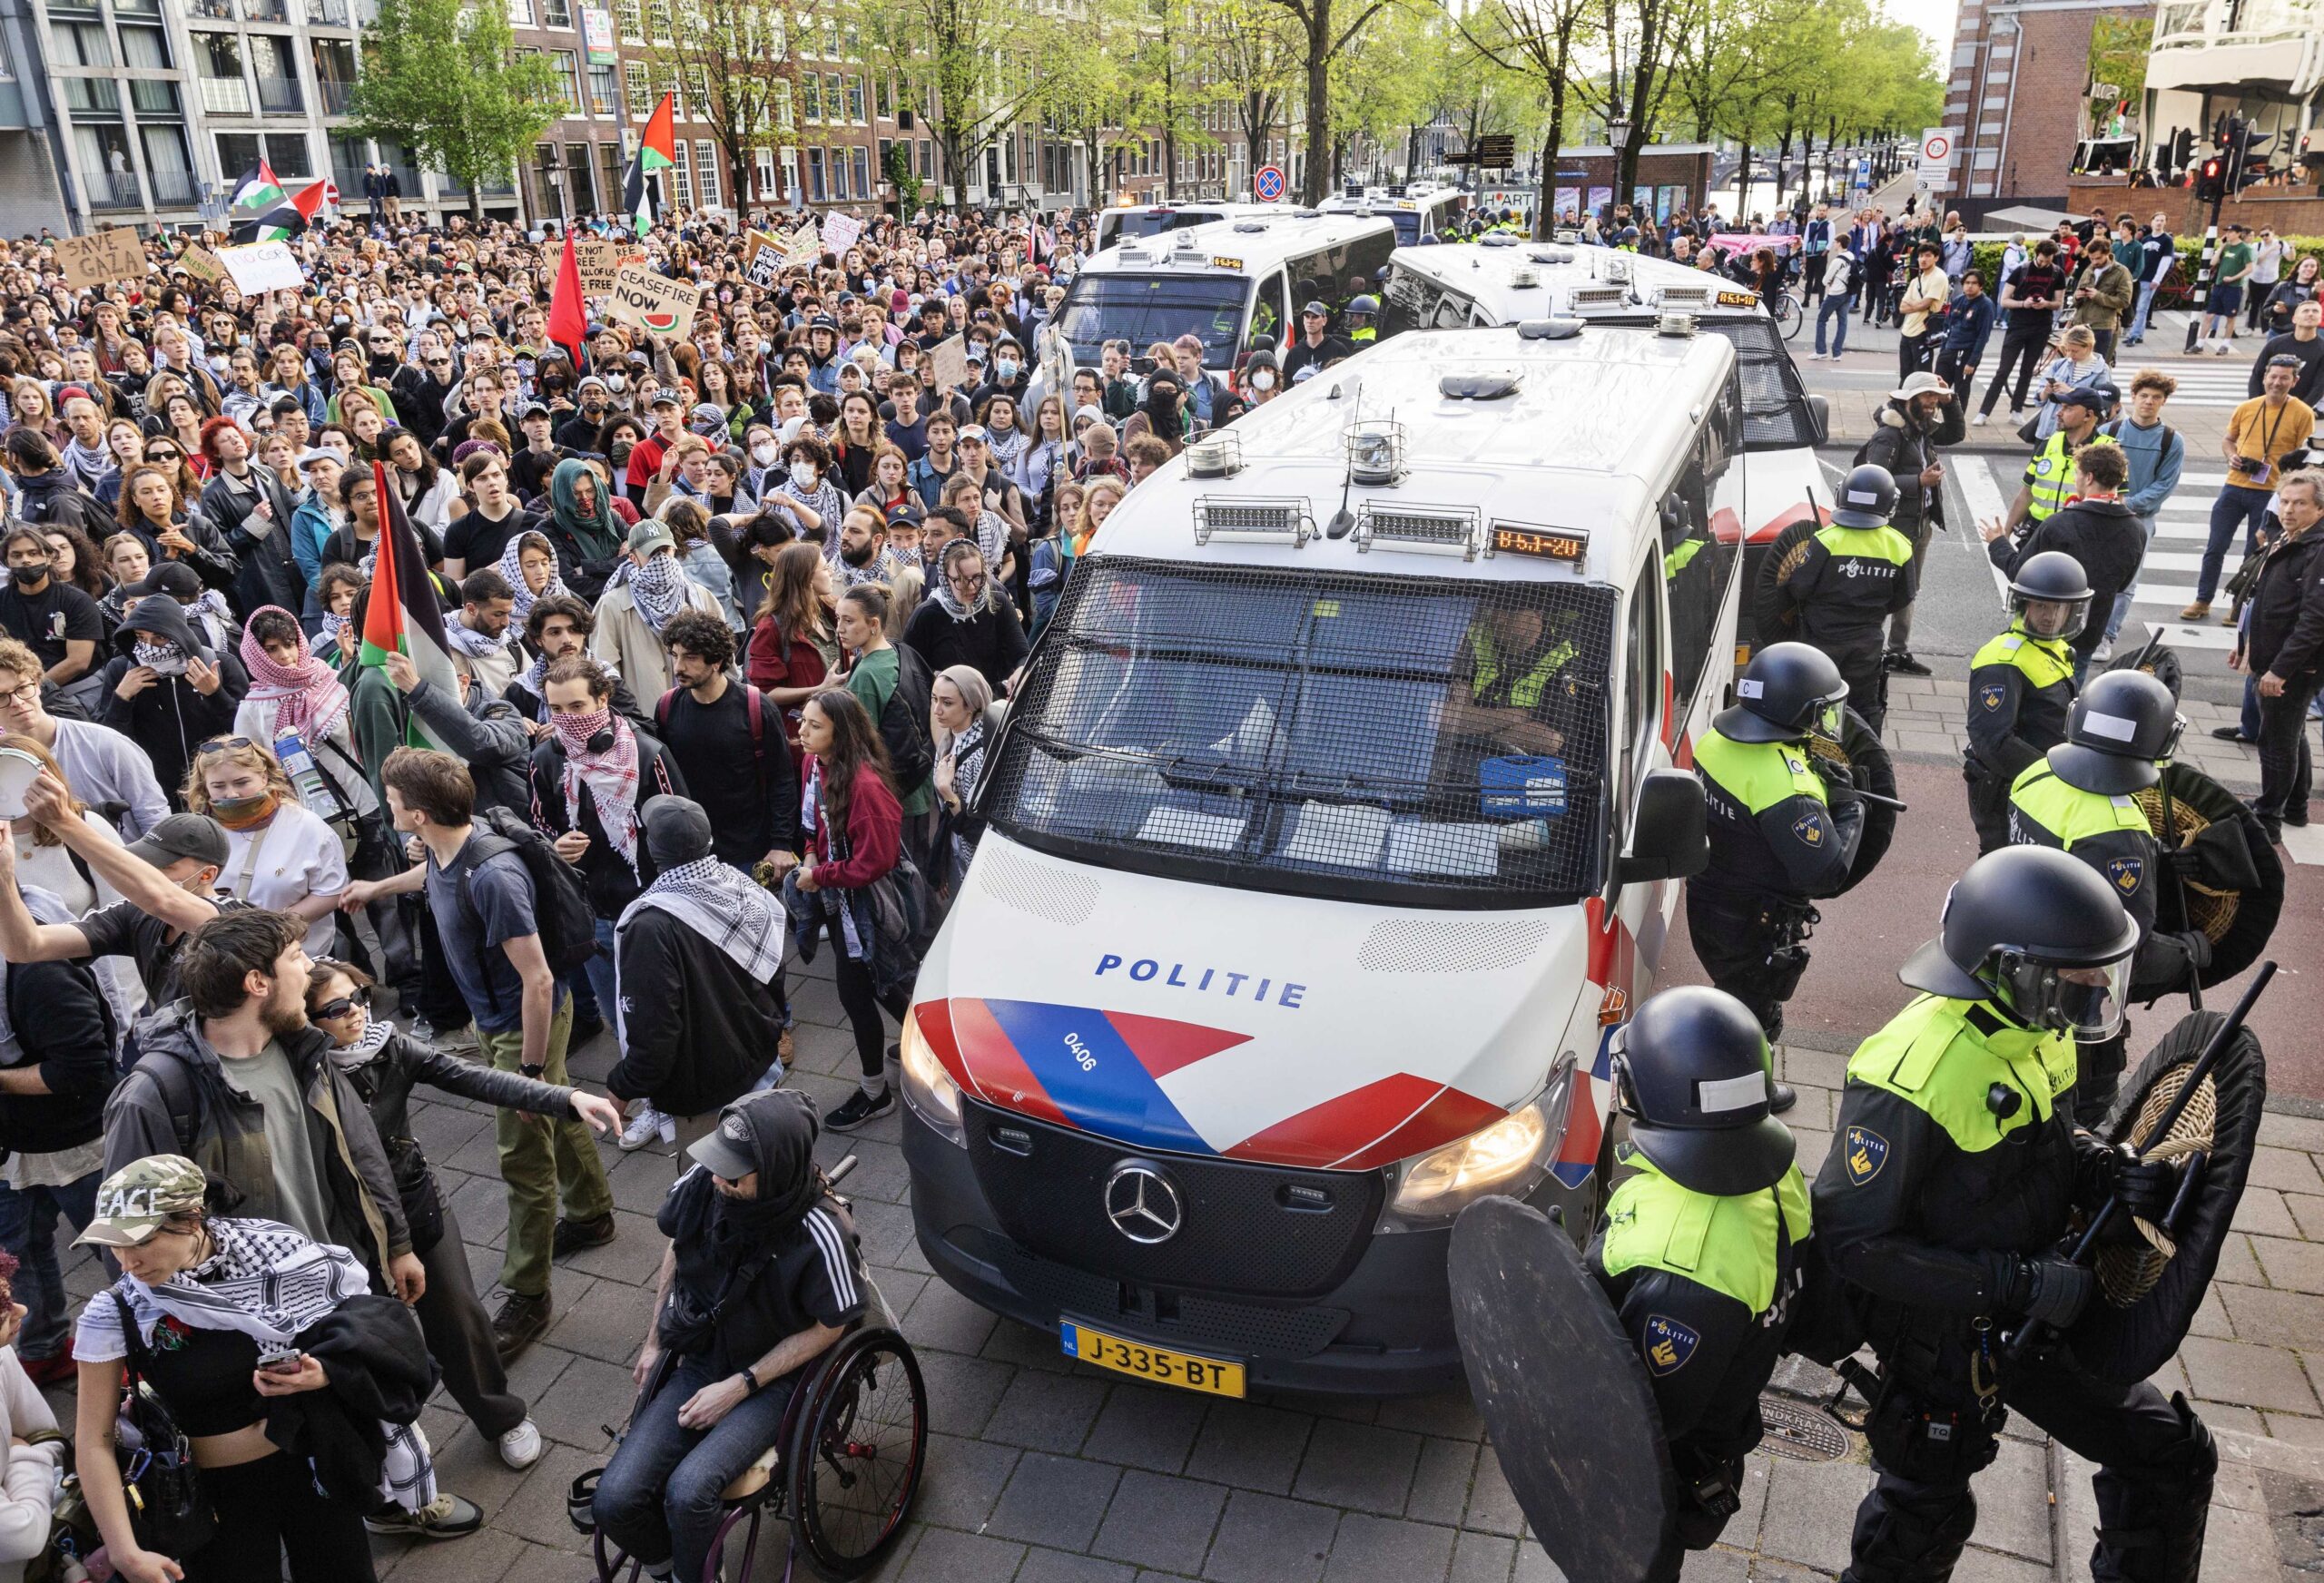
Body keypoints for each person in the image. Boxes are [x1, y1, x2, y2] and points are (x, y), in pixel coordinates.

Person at [1816, 847, 2216, 1583]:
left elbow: (2046, 1143)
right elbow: (1854, 1243)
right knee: (1919, 1525)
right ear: (2011, 969)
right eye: (2080, 976)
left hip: (2042, 1303)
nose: (2097, 991)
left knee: (2170, 1454)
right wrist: (2016, 1283)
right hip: (1946, 1332)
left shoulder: (2042, 1025)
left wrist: (2101, 1168)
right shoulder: (1910, 1074)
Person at [340, 748, 618, 1361]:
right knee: (553, 1116)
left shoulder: (491, 876)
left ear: (417, 814)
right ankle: (595, 1213)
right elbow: (432, 878)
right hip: (499, 1019)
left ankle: (528, 1293)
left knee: (523, 1160)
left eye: (391, 803)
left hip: (524, 1025)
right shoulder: (448, 847)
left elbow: (540, 982)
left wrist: (526, 1073)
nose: (387, 810)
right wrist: (378, 886)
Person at [70, 1155, 451, 1583]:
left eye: (140, 1242)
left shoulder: (277, 1250)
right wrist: (124, 1552)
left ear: (192, 1219)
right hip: (216, 1500)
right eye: (113, 1244)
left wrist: (325, 1372)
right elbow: (93, 1441)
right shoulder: (119, 1310)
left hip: (313, 1465)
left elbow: (361, 1329)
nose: (126, 1262)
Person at [303, 957, 620, 1470]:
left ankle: (501, 1417)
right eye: (335, 1009)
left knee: (459, 1317)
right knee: (369, 1335)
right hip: (346, 1225)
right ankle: (388, 1452)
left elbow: (473, 1078)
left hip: (414, 1200)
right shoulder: (302, 1076)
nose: (355, 1013)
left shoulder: (390, 1048)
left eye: (358, 998)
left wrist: (565, 1098)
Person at [591, 1089, 863, 1583]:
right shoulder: (706, 1180)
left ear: (775, 1170)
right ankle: (670, 1566)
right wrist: (655, 1341)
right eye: (717, 1163)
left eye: (734, 1173)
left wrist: (740, 1386)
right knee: (614, 1500)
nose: (718, 1178)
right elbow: (678, 1243)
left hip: (779, 1379)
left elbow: (833, 1325)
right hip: (703, 1353)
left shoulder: (822, 1232)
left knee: (689, 1492)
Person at [1588, 988, 1813, 1562]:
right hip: (1726, 1418)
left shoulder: (1682, 1264)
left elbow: (1645, 1418)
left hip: (1660, 1484)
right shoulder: (1777, 1174)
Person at [2007, 672, 2210, 1124]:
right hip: (2071, 1015)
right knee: (2081, 1125)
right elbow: (2122, 955)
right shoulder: (2119, 834)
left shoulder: (2035, 775)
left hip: (2010, 966)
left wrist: (2156, 856)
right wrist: (2188, 952)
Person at [1688, 643, 1862, 1102]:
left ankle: (1722, 1080)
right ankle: (1737, 1104)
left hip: (1709, 900)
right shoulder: (1787, 786)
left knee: (1731, 995)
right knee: (1754, 1014)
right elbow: (1826, 873)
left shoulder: (1715, 741)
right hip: (1755, 924)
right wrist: (1848, 808)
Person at [606, 799, 787, 1155]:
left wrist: (621, 1089)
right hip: (762, 1066)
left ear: (653, 851)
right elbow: (775, 970)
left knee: (720, 1196)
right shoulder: (740, 884)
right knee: (773, 1170)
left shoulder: (650, 927)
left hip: (707, 1101)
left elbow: (655, 1032)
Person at [0, 847, 115, 1390]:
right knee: (19, 1254)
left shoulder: (36, 970)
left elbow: (83, 1069)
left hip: (80, 1143)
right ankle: (45, 1348)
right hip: (13, 1149)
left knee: (125, 1253)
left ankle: (148, 1349)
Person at [528, 653, 687, 1028]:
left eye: (577, 705)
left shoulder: (649, 753)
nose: (566, 717)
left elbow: (681, 829)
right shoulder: (545, 759)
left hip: (652, 904)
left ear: (603, 699)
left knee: (670, 1006)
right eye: (556, 708)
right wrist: (554, 844)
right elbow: (535, 822)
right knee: (621, 1015)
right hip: (592, 910)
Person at [786, 687, 914, 1133]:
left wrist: (818, 877)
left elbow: (873, 863)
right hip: (840, 903)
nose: (801, 731)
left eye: (814, 725)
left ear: (841, 734)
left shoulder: (865, 785)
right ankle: (930, 1052)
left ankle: (875, 1092)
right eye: (802, 721)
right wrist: (808, 857)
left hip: (867, 910)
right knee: (878, 986)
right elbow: (809, 826)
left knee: (861, 992)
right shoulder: (813, 765)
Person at [1765, 464, 1915, 732]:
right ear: (1889, 503)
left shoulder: (1825, 540)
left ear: (1842, 496)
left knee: (1815, 704)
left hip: (1820, 641)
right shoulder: (1900, 545)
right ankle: (1862, 763)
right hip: (1866, 642)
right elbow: (1903, 597)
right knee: (1862, 709)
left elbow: (1798, 589)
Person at [1960, 552, 2090, 853]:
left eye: (2059, 607)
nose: (2049, 616)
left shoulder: (2054, 646)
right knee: (2004, 868)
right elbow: (1992, 741)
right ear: (2023, 605)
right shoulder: (2002, 660)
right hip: (2008, 788)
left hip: (2039, 783)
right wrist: (2054, 775)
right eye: (2041, 605)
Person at [1984, 443, 2147, 675]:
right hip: (2091, 629)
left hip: (2046, 628)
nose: (2075, 479)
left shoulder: (2060, 524)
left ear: (2089, 477)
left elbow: (2020, 573)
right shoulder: (2136, 530)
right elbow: (2124, 583)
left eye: (2077, 473)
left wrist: (1998, 542)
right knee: (2071, 688)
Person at [182, 734, 347, 956]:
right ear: (205, 787)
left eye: (242, 782)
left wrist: (271, 929)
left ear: (264, 777)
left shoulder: (306, 826)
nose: (231, 794)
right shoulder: (196, 833)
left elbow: (332, 892)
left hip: (299, 960)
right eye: (218, 786)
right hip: (226, 963)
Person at [2185, 354, 2315, 622]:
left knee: (2253, 551)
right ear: (2264, 377)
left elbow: (2305, 457)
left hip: (2271, 493)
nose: (2277, 382)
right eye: (2273, 376)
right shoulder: (2248, 407)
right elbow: (2229, 439)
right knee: (2215, 547)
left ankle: (2239, 605)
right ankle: (2203, 599)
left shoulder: (2302, 413)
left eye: (2284, 378)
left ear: (2295, 381)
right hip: (2234, 485)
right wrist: (2231, 455)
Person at [2231, 467, 2324, 840]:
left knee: (2275, 739)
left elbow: (2314, 620)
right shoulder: (2288, 538)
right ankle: (2296, 806)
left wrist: (2280, 671)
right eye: (2285, 501)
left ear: (2319, 510)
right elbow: (2265, 598)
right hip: (2274, 657)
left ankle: (2268, 818)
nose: (2288, 510)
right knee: (2291, 731)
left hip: (2295, 666)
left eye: (2300, 504)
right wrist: (2245, 649)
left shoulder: (2316, 550)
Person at [0, 634, 167, 837]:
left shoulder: (104, 743)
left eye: (22, 688)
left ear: (37, 684)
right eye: (1, 697)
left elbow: (155, 819)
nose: (17, 702)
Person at [1856, 372, 1963, 679]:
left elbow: (1956, 433)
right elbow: (1873, 480)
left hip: (1919, 525)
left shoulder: (1921, 429)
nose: (1932, 403)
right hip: (1894, 528)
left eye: (1934, 397)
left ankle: (1897, 651)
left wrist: (1951, 400)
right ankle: (1870, 650)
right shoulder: (1890, 435)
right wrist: (1919, 480)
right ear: (1907, 399)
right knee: (1884, 588)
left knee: (1910, 589)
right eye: (1927, 397)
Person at [837, 583, 938, 874]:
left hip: (895, 795)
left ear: (873, 624)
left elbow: (857, 747)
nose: (840, 628)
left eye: (848, 620)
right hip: (920, 783)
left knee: (904, 880)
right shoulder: (900, 650)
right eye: (838, 619)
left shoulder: (866, 674)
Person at [2094, 371, 2188, 661]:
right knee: (2092, 573)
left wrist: (2128, 503)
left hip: (2138, 518)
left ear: (2164, 402)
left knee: (2126, 581)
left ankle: (2107, 635)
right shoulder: (2109, 431)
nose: (2149, 402)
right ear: (2133, 397)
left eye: (2156, 398)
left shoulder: (2171, 441)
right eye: (2144, 396)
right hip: (2103, 511)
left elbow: (2164, 484)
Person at [901, 540, 1029, 691]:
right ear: (945, 578)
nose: (972, 587)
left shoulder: (999, 602)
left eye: (977, 577)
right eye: (960, 580)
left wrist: (1021, 670)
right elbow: (910, 669)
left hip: (997, 699)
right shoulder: (927, 615)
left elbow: (1022, 653)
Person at [0, 525, 103, 707]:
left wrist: (34, 690)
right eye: (17, 555)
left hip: (78, 690)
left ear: (48, 557)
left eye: (33, 553)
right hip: (17, 694)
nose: (26, 561)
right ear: (7, 561)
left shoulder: (76, 600)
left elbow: (78, 661)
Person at [2003, 388, 2116, 536]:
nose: (2059, 413)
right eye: (2061, 407)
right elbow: (2026, 493)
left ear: (2088, 415)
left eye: (2068, 408)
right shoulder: (2048, 444)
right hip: (2037, 532)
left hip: (2078, 535)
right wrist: (2005, 534)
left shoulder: (2107, 451)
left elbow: (2116, 502)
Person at [930, 664, 995, 895]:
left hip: (973, 863)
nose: (937, 709)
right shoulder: (949, 740)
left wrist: (947, 793)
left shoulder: (979, 755)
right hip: (955, 852)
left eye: (947, 703)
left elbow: (976, 828)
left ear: (971, 705)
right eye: (934, 699)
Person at [2248, 297, 2324, 407]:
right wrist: (2254, 402)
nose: (2311, 314)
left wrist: (2301, 410)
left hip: (2298, 410)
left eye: (2315, 311)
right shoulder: (2275, 344)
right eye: (2306, 311)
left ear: (2320, 319)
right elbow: (2257, 374)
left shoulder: (2321, 349)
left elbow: (2319, 386)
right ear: (2294, 319)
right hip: (2267, 405)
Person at [2068, 238, 2135, 362]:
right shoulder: (2089, 269)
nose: (2094, 262)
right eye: (2091, 258)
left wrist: (2098, 296)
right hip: (2081, 324)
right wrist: (2077, 297)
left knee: (2098, 367)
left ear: (2107, 254)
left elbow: (2124, 301)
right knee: (2077, 365)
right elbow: (2075, 298)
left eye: (2098, 258)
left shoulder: (2121, 272)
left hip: (2103, 325)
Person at [1894, 243, 1948, 379]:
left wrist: (1915, 304)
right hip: (1907, 331)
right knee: (1905, 376)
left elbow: (1925, 304)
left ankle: (1919, 401)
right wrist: (1918, 305)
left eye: (1928, 256)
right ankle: (1903, 400)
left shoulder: (1939, 277)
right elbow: (1902, 307)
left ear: (1936, 258)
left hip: (1923, 332)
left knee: (1921, 377)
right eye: (1920, 256)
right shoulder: (1916, 280)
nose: (1923, 259)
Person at [2201, 222, 2256, 354]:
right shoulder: (2226, 247)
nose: (2228, 234)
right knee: (2209, 315)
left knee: (2230, 317)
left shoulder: (2244, 249)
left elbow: (2249, 268)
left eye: (2231, 232)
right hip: (2219, 285)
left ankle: (2225, 344)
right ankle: (2200, 343)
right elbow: (2213, 263)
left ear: (2238, 234)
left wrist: (2233, 278)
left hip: (2234, 287)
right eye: (2227, 232)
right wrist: (2221, 247)